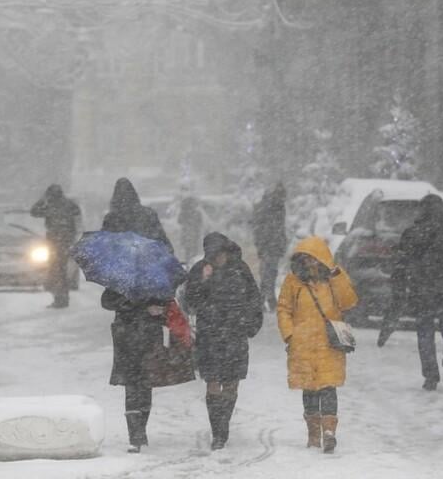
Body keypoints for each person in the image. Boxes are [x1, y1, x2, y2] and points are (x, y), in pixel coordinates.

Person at [99, 177, 190, 453]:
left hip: (126, 323)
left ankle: (135, 434)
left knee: (131, 377)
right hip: (149, 320)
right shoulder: (149, 219)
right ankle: (141, 429)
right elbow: (167, 253)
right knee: (145, 376)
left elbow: (108, 289)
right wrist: (155, 304)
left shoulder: (112, 222)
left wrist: (128, 300)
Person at [382, 194, 443, 391]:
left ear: (422, 210)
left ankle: (430, 376)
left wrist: (399, 287)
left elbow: (401, 264)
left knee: (425, 333)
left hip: (422, 291)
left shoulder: (413, 233)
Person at [277, 236, 358, 454]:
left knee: (328, 387)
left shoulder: (335, 278)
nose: (310, 264)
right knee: (309, 390)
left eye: (313, 259)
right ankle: (313, 434)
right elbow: (284, 309)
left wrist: (336, 278)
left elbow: (349, 302)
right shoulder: (293, 282)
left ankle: (329, 432)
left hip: (329, 344)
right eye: (305, 260)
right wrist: (289, 335)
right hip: (301, 344)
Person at [185, 232, 263, 450]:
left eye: (219, 254)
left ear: (226, 252)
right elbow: (190, 301)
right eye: (212, 255)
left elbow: (254, 298)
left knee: (231, 382)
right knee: (212, 382)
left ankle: (223, 424)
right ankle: (218, 432)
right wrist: (203, 280)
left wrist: (251, 325)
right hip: (209, 335)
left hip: (235, 334)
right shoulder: (200, 269)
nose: (216, 259)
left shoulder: (240, 269)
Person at [30, 184, 81, 308]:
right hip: (66, 242)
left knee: (56, 271)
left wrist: (42, 200)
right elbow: (77, 216)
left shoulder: (50, 206)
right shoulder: (69, 205)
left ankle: (60, 298)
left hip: (54, 242)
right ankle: (62, 297)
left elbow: (33, 212)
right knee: (61, 271)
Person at [252, 182, 287, 311]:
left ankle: (264, 300)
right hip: (270, 244)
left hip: (270, 244)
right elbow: (271, 228)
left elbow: (277, 227)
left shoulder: (275, 206)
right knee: (269, 272)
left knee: (268, 272)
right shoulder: (273, 207)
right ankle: (266, 300)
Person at [178, 195, 204, 263]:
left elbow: (179, 221)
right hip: (193, 233)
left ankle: (189, 263)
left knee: (189, 250)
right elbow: (200, 223)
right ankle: (192, 263)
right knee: (193, 250)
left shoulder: (184, 212)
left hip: (188, 233)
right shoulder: (197, 213)